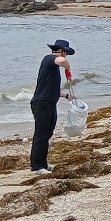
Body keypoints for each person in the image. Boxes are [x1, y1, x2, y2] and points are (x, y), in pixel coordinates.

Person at [30, 39, 76, 172]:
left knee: (47, 134)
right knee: (41, 135)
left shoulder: (53, 67)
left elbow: (52, 89)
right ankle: (37, 166)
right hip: (41, 103)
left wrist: (67, 96)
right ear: (63, 52)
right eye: (66, 53)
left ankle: (43, 163)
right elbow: (62, 61)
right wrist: (68, 70)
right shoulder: (49, 59)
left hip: (49, 102)